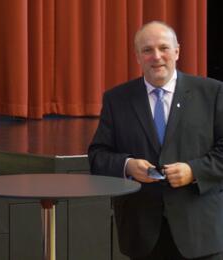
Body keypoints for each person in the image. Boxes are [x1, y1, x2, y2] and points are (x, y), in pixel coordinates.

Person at [88, 21, 223, 260]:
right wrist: (127, 165)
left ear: (177, 51)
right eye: (147, 50)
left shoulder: (212, 92)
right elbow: (98, 156)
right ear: (137, 56)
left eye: (164, 48)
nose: (156, 56)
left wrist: (194, 170)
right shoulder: (117, 99)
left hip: (200, 233)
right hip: (142, 235)